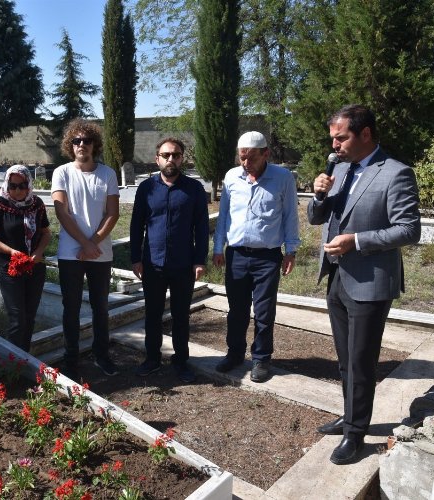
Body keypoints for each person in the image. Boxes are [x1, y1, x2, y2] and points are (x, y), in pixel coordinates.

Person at [308, 105, 420, 465]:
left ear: (365, 134)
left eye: (341, 137)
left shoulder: (396, 173)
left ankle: (355, 435)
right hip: (337, 277)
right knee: (345, 359)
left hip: (370, 282)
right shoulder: (339, 169)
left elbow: (409, 230)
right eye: (333, 139)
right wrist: (318, 195)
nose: (334, 145)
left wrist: (356, 241)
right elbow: (316, 218)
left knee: (361, 361)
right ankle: (350, 416)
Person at [212, 131, 300, 383]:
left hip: (267, 258)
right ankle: (235, 353)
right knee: (236, 310)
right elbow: (224, 215)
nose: (246, 163)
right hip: (237, 255)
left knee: (264, 311)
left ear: (266, 154)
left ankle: (261, 358)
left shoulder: (282, 178)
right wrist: (218, 247)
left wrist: (291, 251)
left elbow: (290, 215)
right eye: (242, 158)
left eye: (252, 158)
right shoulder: (232, 177)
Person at [130, 138, 209, 383]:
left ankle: (181, 361)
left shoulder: (194, 189)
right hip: (152, 263)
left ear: (182, 158)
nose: (170, 159)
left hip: (183, 264)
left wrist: (199, 260)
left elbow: (201, 227)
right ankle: (152, 359)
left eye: (175, 155)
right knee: (152, 314)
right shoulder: (146, 188)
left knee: (181, 316)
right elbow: (136, 224)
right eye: (166, 155)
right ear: (157, 159)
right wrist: (135, 258)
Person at [51, 119, 120, 378]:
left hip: (100, 253)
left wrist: (94, 242)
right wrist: (85, 243)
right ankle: (71, 360)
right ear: (70, 145)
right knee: (71, 308)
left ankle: (102, 355)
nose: (82, 144)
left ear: (94, 144)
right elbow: (62, 212)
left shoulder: (108, 174)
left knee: (100, 306)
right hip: (71, 252)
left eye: (87, 140)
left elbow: (112, 213)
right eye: (76, 141)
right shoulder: (62, 173)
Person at [0, 165, 51, 353]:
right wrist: (11, 251)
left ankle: (25, 358)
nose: (17, 190)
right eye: (13, 186)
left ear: (29, 185)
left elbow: (46, 233)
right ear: (7, 185)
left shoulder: (37, 204)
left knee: (29, 317)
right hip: (10, 268)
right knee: (17, 319)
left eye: (22, 186)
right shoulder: (0, 205)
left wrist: (39, 252)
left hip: (35, 267)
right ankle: (12, 361)